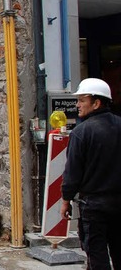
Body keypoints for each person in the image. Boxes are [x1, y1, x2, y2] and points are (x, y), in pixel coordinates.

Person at [61, 78, 121, 269]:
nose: (77, 105)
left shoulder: (81, 132)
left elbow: (72, 172)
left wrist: (65, 200)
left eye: (82, 100)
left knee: (96, 256)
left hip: (94, 207)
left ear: (96, 103)